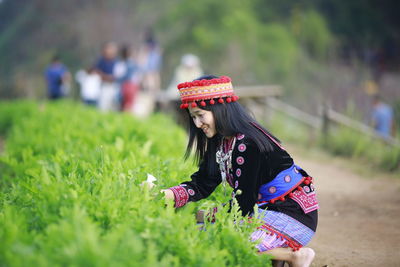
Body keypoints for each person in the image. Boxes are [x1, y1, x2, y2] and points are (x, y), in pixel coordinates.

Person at [162, 75, 318, 267]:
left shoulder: (248, 143)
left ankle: (292, 256)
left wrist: (209, 214)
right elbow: (202, 184)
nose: (197, 124)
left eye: (200, 115)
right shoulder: (219, 141)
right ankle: (277, 256)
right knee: (199, 229)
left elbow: (243, 205)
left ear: (220, 110)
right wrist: (164, 196)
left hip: (293, 216)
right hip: (265, 211)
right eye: (193, 117)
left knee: (214, 239)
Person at [113, 45, 140, 112]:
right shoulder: (131, 64)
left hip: (125, 86)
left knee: (123, 105)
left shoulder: (121, 63)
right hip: (128, 86)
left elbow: (117, 76)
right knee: (127, 106)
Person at [95, 42, 119, 111]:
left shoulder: (116, 62)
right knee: (103, 105)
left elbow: (117, 75)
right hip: (104, 85)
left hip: (114, 86)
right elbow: (97, 71)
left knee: (113, 106)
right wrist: (106, 77)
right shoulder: (101, 61)